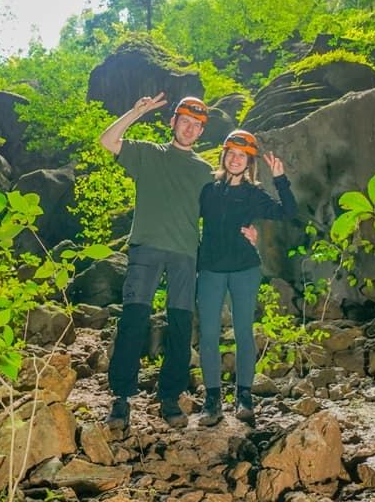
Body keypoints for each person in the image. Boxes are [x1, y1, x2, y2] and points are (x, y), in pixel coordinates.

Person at [100, 92, 213, 433]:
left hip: (184, 256)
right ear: (172, 122)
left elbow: (221, 215)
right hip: (145, 251)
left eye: (197, 125)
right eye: (185, 121)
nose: (190, 129)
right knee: (133, 321)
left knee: (180, 326)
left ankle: (169, 397)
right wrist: (136, 111)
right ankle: (121, 398)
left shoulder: (205, 172)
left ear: (201, 132)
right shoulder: (147, 154)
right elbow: (107, 140)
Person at [196, 129, 297, 426]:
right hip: (211, 268)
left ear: (249, 161)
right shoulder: (208, 190)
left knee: (243, 333)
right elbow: (188, 218)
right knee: (209, 335)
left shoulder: (254, 194)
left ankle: (244, 396)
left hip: (244, 269)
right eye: (232, 154)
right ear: (224, 156)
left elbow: (287, 212)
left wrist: (280, 179)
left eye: (242, 155)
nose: (236, 159)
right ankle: (212, 400)